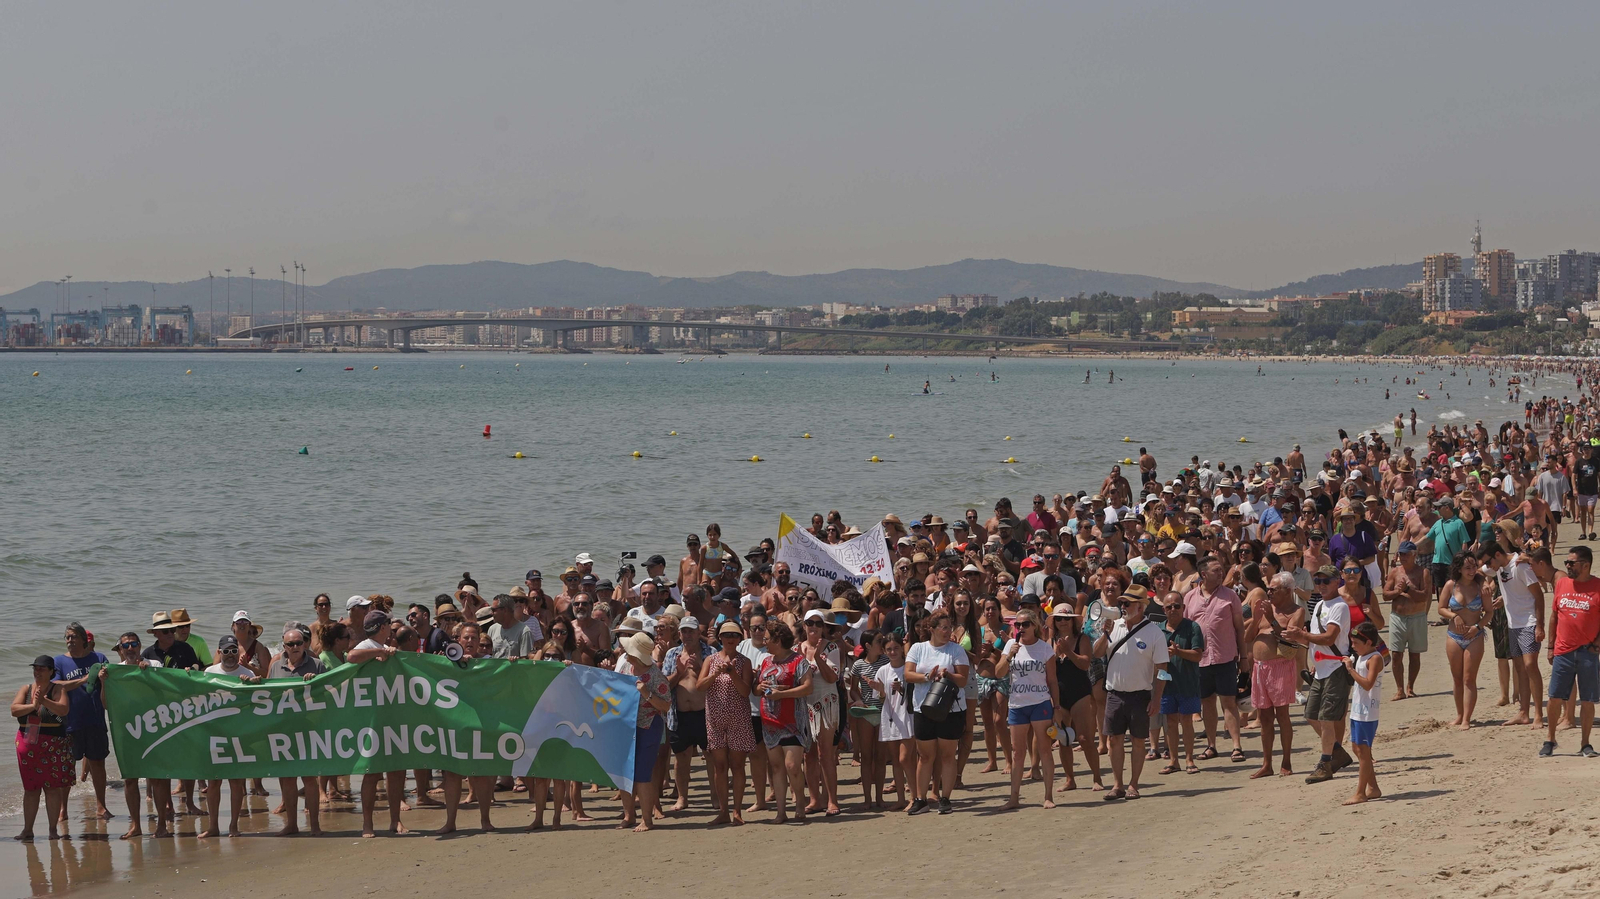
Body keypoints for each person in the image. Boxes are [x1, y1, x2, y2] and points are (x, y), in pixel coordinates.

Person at [1095, 590, 1168, 800]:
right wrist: (1104, 634)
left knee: (1138, 741)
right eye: (1122, 603)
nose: (1123, 607)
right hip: (1114, 694)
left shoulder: (1154, 633)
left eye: (1127, 603)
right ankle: (1117, 785)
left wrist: (1157, 698)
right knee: (1114, 740)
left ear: (1140, 607)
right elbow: (1097, 653)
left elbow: (1162, 669)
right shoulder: (1114, 626)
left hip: (1141, 695)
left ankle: (1133, 784)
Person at [1286, 568, 1353, 784]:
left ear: (1336, 582)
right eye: (1318, 580)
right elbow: (1315, 640)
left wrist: (1301, 635)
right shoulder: (1320, 606)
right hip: (1321, 669)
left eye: (1326, 581)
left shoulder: (1340, 606)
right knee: (1311, 714)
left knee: (1326, 718)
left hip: (1335, 669)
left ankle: (1325, 763)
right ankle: (1337, 753)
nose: (1321, 584)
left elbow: (1329, 636)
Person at [904, 611, 970, 815]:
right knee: (925, 756)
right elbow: (908, 674)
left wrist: (947, 674)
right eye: (943, 627)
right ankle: (920, 799)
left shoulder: (956, 650)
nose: (947, 631)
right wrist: (927, 676)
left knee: (948, 755)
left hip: (952, 709)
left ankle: (945, 798)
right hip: (923, 707)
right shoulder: (918, 648)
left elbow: (963, 680)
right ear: (931, 629)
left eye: (949, 627)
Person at [1183, 556, 1247, 763]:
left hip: (1225, 656)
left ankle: (1237, 746)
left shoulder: (1230, 596)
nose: (1221, 573)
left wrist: (1243, 657)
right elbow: (1186, 629)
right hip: (1200, 660)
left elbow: (1239, 629)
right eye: (1216, 570)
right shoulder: (1189, 598)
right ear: (1203, 574)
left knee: (1229, 702)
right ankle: (1212, 745)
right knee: (1207, 703)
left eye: (1221, 570)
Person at [996, 608, 1060, 809]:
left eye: (1025, 624)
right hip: (1017, 703)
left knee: (1044, 749)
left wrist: (1056, 706)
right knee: (1017, 752)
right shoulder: (1010, 645)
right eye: (1018, 625)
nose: (1021, 628)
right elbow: (998, 673)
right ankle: (1014, 798)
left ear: (1035, 626)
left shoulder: (1044, 649)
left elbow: (1052, 680)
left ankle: (1048, 796)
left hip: (1040, 702)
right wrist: (1009, 656)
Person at [1540, 546, 1600, 758]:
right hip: (1562, 651)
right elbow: (1554, 616)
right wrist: (1550, 646)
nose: (1567, 566)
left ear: (1585, 565)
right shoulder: (1562, 584)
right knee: (1555, 696)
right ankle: (1550, 739)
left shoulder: (1598, 586)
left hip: (1587, 653)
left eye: (1571, 563)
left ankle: (1585, 743)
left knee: (1587, 700)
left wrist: (1597, 644)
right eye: (1567, 562)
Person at [264, 626, 324, 835]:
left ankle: (315, 824)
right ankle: (291, 824)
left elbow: (331, 694)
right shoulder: (275, 666)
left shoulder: (316, 664)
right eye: (291, 644)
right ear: (284, 646)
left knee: (309, 777)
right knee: (287, 778)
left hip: (309, 728)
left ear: (305, 644)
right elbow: (268, 695)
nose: (296, 647)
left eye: (299, 643)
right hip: (283, 729)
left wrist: (315, 682)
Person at [699, 620, 756, 825]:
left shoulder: (744, 662)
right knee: (720, 766)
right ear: (720, 638)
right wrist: (715, 673)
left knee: (738, 766)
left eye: (734, 635)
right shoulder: (710, 660)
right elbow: (700, 685)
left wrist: (732, 673)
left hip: (738, 718)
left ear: (740, 638)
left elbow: (745, 691)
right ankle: (723, 811)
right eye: (727, 635)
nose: (731, 639)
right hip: (715, 718)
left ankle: (737, 810)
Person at [1248, 573, 1304, 777]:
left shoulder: (1297, 611)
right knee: (1264, 717)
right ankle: (1267, 763)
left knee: (1282, 715)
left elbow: (1289, 638)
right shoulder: (1265, 609)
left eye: (1274, 589)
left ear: (1288, 591)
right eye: (1268, 589)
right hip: (1260, 668)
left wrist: (1271, 621)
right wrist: (1255, 620)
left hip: (1281, 666)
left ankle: (1286, 762)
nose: (1269, 592)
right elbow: (1247, 637)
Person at [1484, 541, 1546, 727]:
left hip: (1529, 622)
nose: (1488, 568)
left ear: (1497, 555)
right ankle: (1523, 713)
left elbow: (1538, 595)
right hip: (1513, 624)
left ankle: (1538, 715)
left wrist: (1540, 625)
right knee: (1519, 669)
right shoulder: (1498, 567)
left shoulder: (1520, 565)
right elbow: (1476, 571)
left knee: (1530, 666)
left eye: (1489, 563)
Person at [757, 620, 813, 824]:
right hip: (770, 721)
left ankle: (799, 802)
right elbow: (756, 690)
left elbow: (808, 688)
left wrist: (784, 694)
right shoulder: (765, 661)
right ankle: (781, 812)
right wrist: (760, 686)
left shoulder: (798, 661)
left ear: (777, 640)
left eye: (767, 639)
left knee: (792, 766)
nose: (764, 643)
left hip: (793, 721)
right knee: (777, 767)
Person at [200, 635, 256, 837]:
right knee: (214, 782)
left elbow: (257, 703)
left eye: (234, 650)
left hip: (239, 734)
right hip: (214, 733)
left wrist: (251, 684)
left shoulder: (247, 673)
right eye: (226, 651)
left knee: (236, 782)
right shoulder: (208, 673)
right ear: (219, 652)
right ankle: (213, 826)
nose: (230, 655)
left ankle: (234, 825)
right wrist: (188, 675)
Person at [53, 622, 110, 821]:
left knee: (98, 764)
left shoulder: (99, 658)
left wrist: (104, 679)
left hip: (95, 720)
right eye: (67, 637)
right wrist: (82, 680)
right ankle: (63, 810)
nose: (69, 640)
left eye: (73, 637)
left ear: (84, 641)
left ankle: (101, 806)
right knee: (66, 767)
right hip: (69, 722)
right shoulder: (59, 662)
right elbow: (56, 686)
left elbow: (111, 684)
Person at [13, 655, 73, 841]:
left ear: (51, 672)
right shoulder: (26, 689)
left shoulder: (58, 688)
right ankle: (27, 830)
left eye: (42, 668)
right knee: (31, 789)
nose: (37, 671)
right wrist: (33, 704)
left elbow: (63, 710)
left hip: (53, 742)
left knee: (52, 788)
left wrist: (44, 701)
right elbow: (14, 709)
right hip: (28, 741)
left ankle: (53, 830)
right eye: (35, 668)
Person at [1438, 549, 1487, 730]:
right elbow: (1441, 608)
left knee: (1469, 678)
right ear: (1458, 568)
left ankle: (1467, 718)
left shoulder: (1480, 586)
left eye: (1474, 566)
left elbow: (1489, 612)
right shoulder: (1451, 585)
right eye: (1467, 567)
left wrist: (1478, 627)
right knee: (1457, 678)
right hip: (1454, 636)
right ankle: (1459, 715)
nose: (1472, 570)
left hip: (1475, 636)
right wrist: (1454, 616)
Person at [1157, 592, 1204, 777]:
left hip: (1187, 682)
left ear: (1183, 608)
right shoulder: (1158, 630)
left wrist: (1178, 652)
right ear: (1164, 610)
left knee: (1186, 721)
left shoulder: (1193, 627)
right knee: (1169, 722)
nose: (1173, 610)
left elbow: (1198, 655)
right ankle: (1174, 760)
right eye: (1169, 607)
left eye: (1177, 606)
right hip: (1166, 685)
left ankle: (1189, 759)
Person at [1342, 621, 1385, 805]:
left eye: (1356, 643)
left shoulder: (1374, 658)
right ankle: (1373, 788)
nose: (1353, 646)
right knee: (1357, 749)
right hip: (1358, 710)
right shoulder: (1361, 655)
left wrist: (1350, 670)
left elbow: (1368, 684)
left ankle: (1360, 793)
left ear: (1368, 642)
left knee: (1364, 752)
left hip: (1368, 712)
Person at [1384, 540, 1432, 700]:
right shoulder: (1395, 572)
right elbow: (1385, 594)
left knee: (1414, 654)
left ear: (1414, 555)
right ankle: (1399, 689)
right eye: (1400, 554)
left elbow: (1424, 596)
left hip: (1416, 616)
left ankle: (1410, 687)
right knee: (1396, 654)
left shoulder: (1422, 572)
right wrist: (1398, 592)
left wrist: (1408, 590)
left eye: (1405, 554)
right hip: (1397, 616)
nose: (1402, 557)